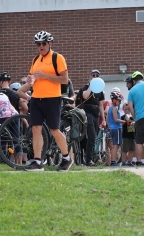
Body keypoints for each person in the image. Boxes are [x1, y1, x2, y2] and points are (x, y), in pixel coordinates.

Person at [25, 31, 72, 171]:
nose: (41, 46)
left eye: (43, 43)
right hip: (36, 98)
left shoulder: (57, 58)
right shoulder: (35, 60)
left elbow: (64, 80)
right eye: (38, 44)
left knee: (54, 130)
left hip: (52, 98)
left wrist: (46, 76)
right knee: (35, 129)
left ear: (50, 43)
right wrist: (30, 80)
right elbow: (33, 79)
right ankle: (38, 162)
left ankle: (66, 158)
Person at [77, 69, 106, 167]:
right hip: (87, 111)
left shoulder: (100, 91)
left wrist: (104, 119)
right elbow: (85, 96)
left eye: (97, 75)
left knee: (94, 137)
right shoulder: (86, 87)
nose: (95, 77)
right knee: (92, 136)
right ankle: (88, 160)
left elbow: (101, 105)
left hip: (95, 113)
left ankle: (91, 158)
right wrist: (91, 86)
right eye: (93, 75)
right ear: (90, 77)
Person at [107, 91, 125, 166]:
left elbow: (107, 119)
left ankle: (114, 161)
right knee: (116, 145)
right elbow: (116, 120)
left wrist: (109, 126)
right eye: (119, 101)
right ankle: (113, 161)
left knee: (116, 144)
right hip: (116, 128)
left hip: (112, 128)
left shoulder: (110, 108)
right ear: (114, 100)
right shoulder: (114, 109)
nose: (120, 103)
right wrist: (125, 121)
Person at [121, 102, 136, 166]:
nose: (127, 110)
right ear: (123, 110)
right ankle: (123, 162)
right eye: (125, 109)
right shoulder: (122, 117)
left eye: (128, 109)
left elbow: (133, 124)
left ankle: (130, 161)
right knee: (125, 150)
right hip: (125, 136)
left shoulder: (133, 116)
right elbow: (124, 124)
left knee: (132, 149)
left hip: (133, 135)